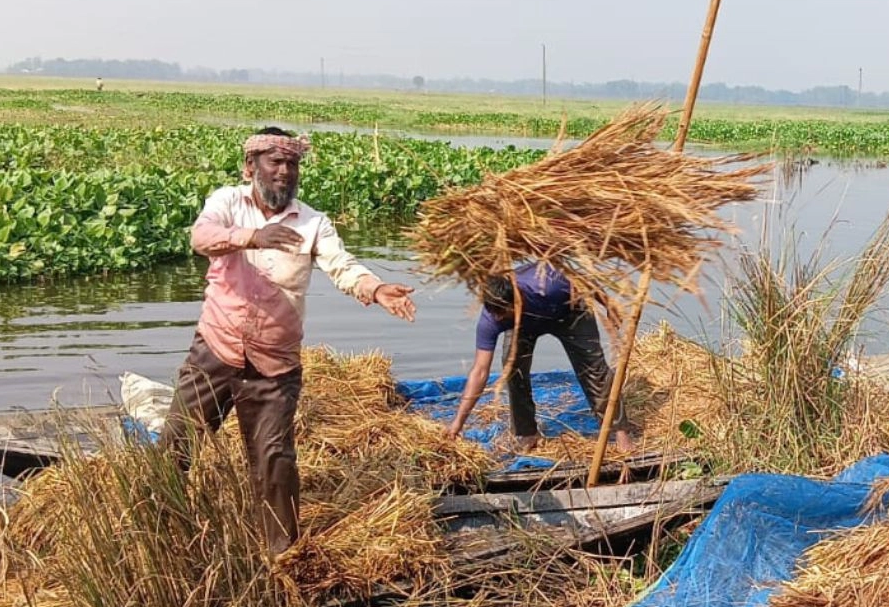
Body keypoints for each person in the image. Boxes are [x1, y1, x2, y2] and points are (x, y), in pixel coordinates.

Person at [166, 127, 417, 554]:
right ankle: (162, 528)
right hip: (216, 347)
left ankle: (280, 553)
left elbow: (342, 266)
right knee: (178, 442)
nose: (285, 171)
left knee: (274, 460)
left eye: (292, 164)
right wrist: (251, 237)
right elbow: (200, 238)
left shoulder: (313, 222)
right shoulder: (226, 202)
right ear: (251, 168)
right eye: (275, 163)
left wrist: (375, 289)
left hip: (274, 363)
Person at [445, 262, 635, 453]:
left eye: (504, 313)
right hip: (523, 326)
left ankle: (619, 430)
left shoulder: (549, 284)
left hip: (569, 311)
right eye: (496, 315)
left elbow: (584, 280)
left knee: (594, 369)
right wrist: (458, 422)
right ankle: (527, 432)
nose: (500, 319)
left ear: (517, 301)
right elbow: (480, 370)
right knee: (512, 370)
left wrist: (609, 304)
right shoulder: (493, 317)